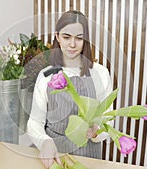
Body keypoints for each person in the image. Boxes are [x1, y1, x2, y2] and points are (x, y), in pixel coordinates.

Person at [27, 10, 113, 168]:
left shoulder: (100, 74)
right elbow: (34, 122)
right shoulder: (46, 76)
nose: (72, 44)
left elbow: (109, 120)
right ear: (58, 37)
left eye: (79, 38)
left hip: (89, 155)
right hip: (55, 155)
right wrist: (45, 142)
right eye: (66, 37)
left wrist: (97, 131)